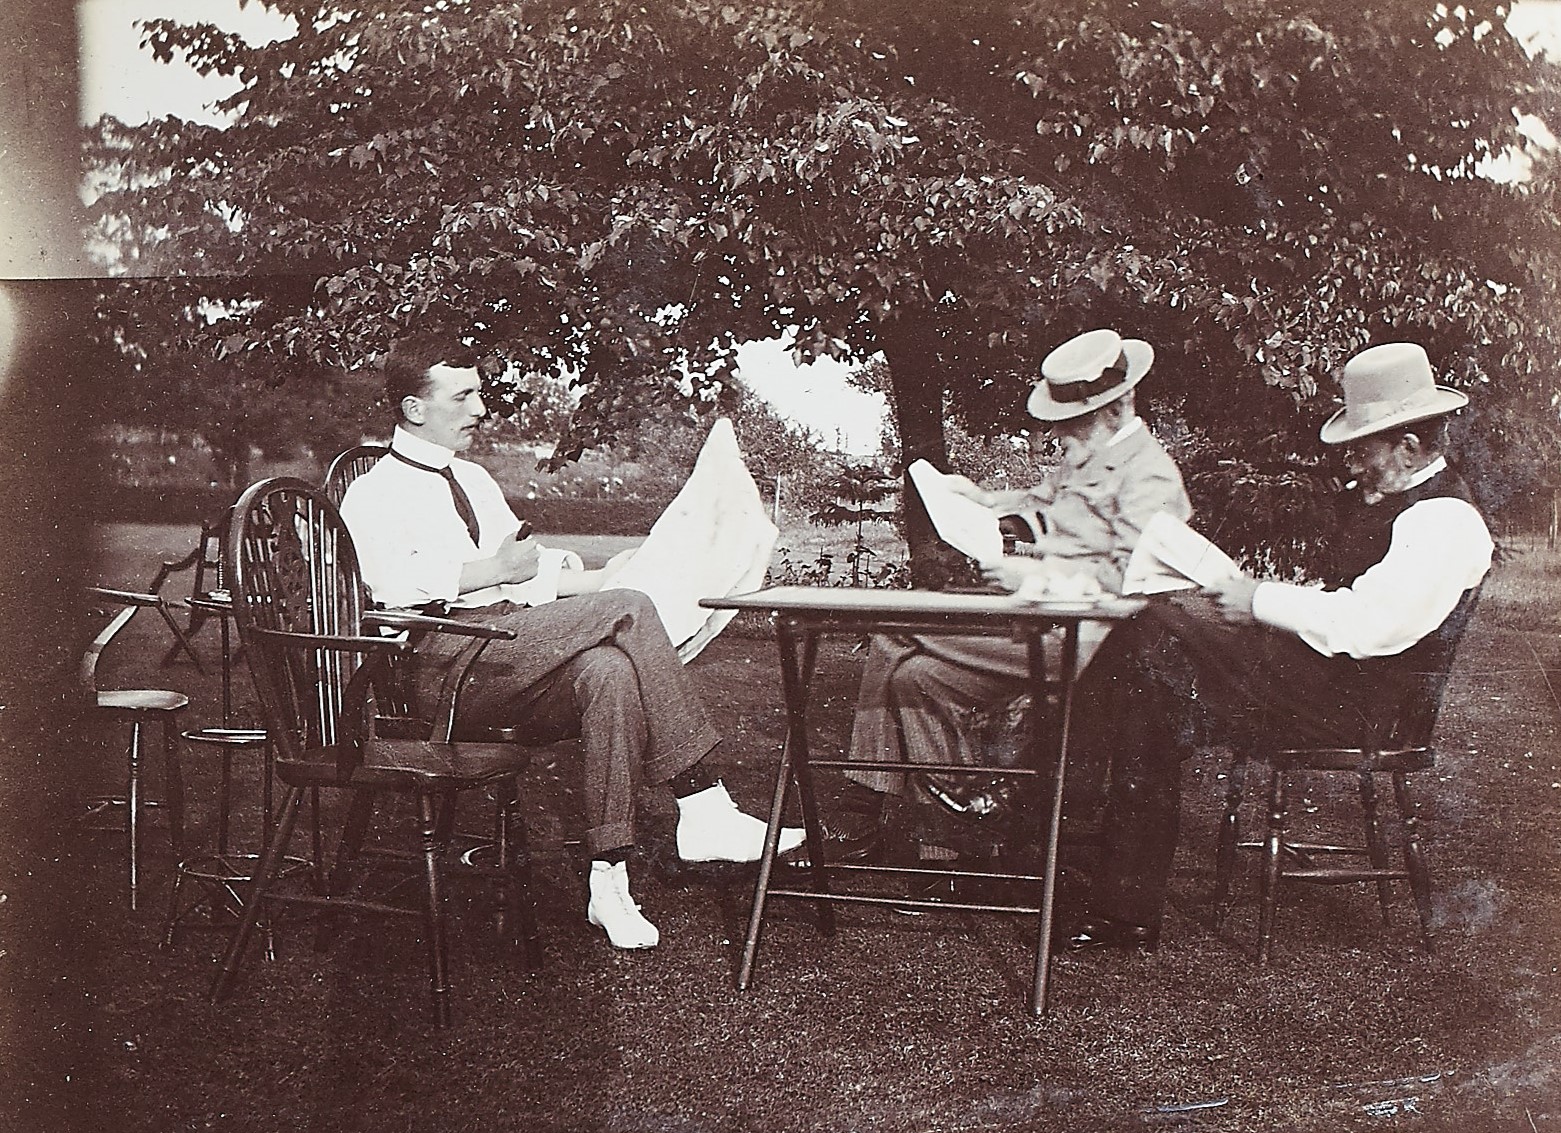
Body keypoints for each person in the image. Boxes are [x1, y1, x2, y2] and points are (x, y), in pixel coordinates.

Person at [339, 342, 804, 952]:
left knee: (607, 670)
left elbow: (529, 574)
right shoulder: (373, 492)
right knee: (631, 607)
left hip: (505, 646)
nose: (481, 408)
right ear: (414, 409)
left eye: (479, 392)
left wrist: (613, 572)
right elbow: (377, 588)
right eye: (464, 396)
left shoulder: (473, 479)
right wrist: (486, 571)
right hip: (438, 664)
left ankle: (608, 880)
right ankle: (702, 802)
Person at [1063, 341, 1494, 955]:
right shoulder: (1397, 505)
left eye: (1363, 448)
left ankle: (1049, 823)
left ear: (1407, 448)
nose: (1352, 462)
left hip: (1364, 710)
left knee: (1151, 631)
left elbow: (1370, 627)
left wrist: (1258, 600)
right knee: (1149, 672)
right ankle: (1109, 895)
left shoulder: (1444, 520)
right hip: (1328, 686)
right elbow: (1350, 599)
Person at [837, 330, 1192, 866]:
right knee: (918, 679)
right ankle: (951, 853)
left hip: (1095, 648)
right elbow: (1041, 501)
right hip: (1047, 626)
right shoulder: (1092, 457)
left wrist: (1030, 573)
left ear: (1118, 407)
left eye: (1075, 421)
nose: (1060, 435)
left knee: (893, 631)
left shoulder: (1152, 477)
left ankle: (865, 804)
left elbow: (1131, 579)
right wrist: (979, 500)